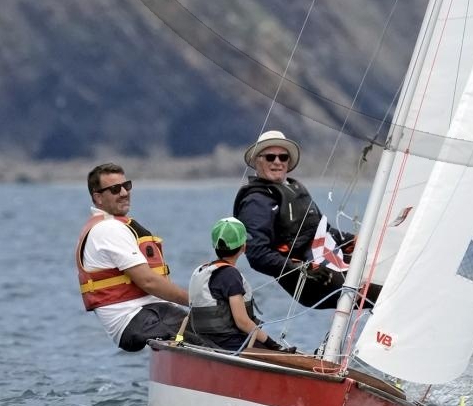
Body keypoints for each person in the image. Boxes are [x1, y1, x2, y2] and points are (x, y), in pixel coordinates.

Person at [76, 162, 190, 352]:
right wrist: (197, 301)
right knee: (214, 328)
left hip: (149, 313)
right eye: (115, 189)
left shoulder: (111, 225)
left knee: (212, 323)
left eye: (126, 186)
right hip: (134, 319)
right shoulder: (108, 229)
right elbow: (148, 282)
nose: (124, 193)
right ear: (98, 197)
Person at [233, 129, 352, 308]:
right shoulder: (255, 201)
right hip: (312, 281)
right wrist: (300, 269)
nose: (277, 162)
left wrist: (354, 240)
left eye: (283, 157)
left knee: (384, 268)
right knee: (381, 289)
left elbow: (323, 232)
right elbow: (257, 254)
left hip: (327, 259)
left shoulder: (295, 188)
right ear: (257, 161)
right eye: (270, 157)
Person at [183, 218, 289, 354]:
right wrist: (273, 344)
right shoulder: (230, 275)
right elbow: (242, 321)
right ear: (243, 247)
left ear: (215, 246)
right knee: (277, 353)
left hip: (204, 340)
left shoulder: (203, 270)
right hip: (230, 345)